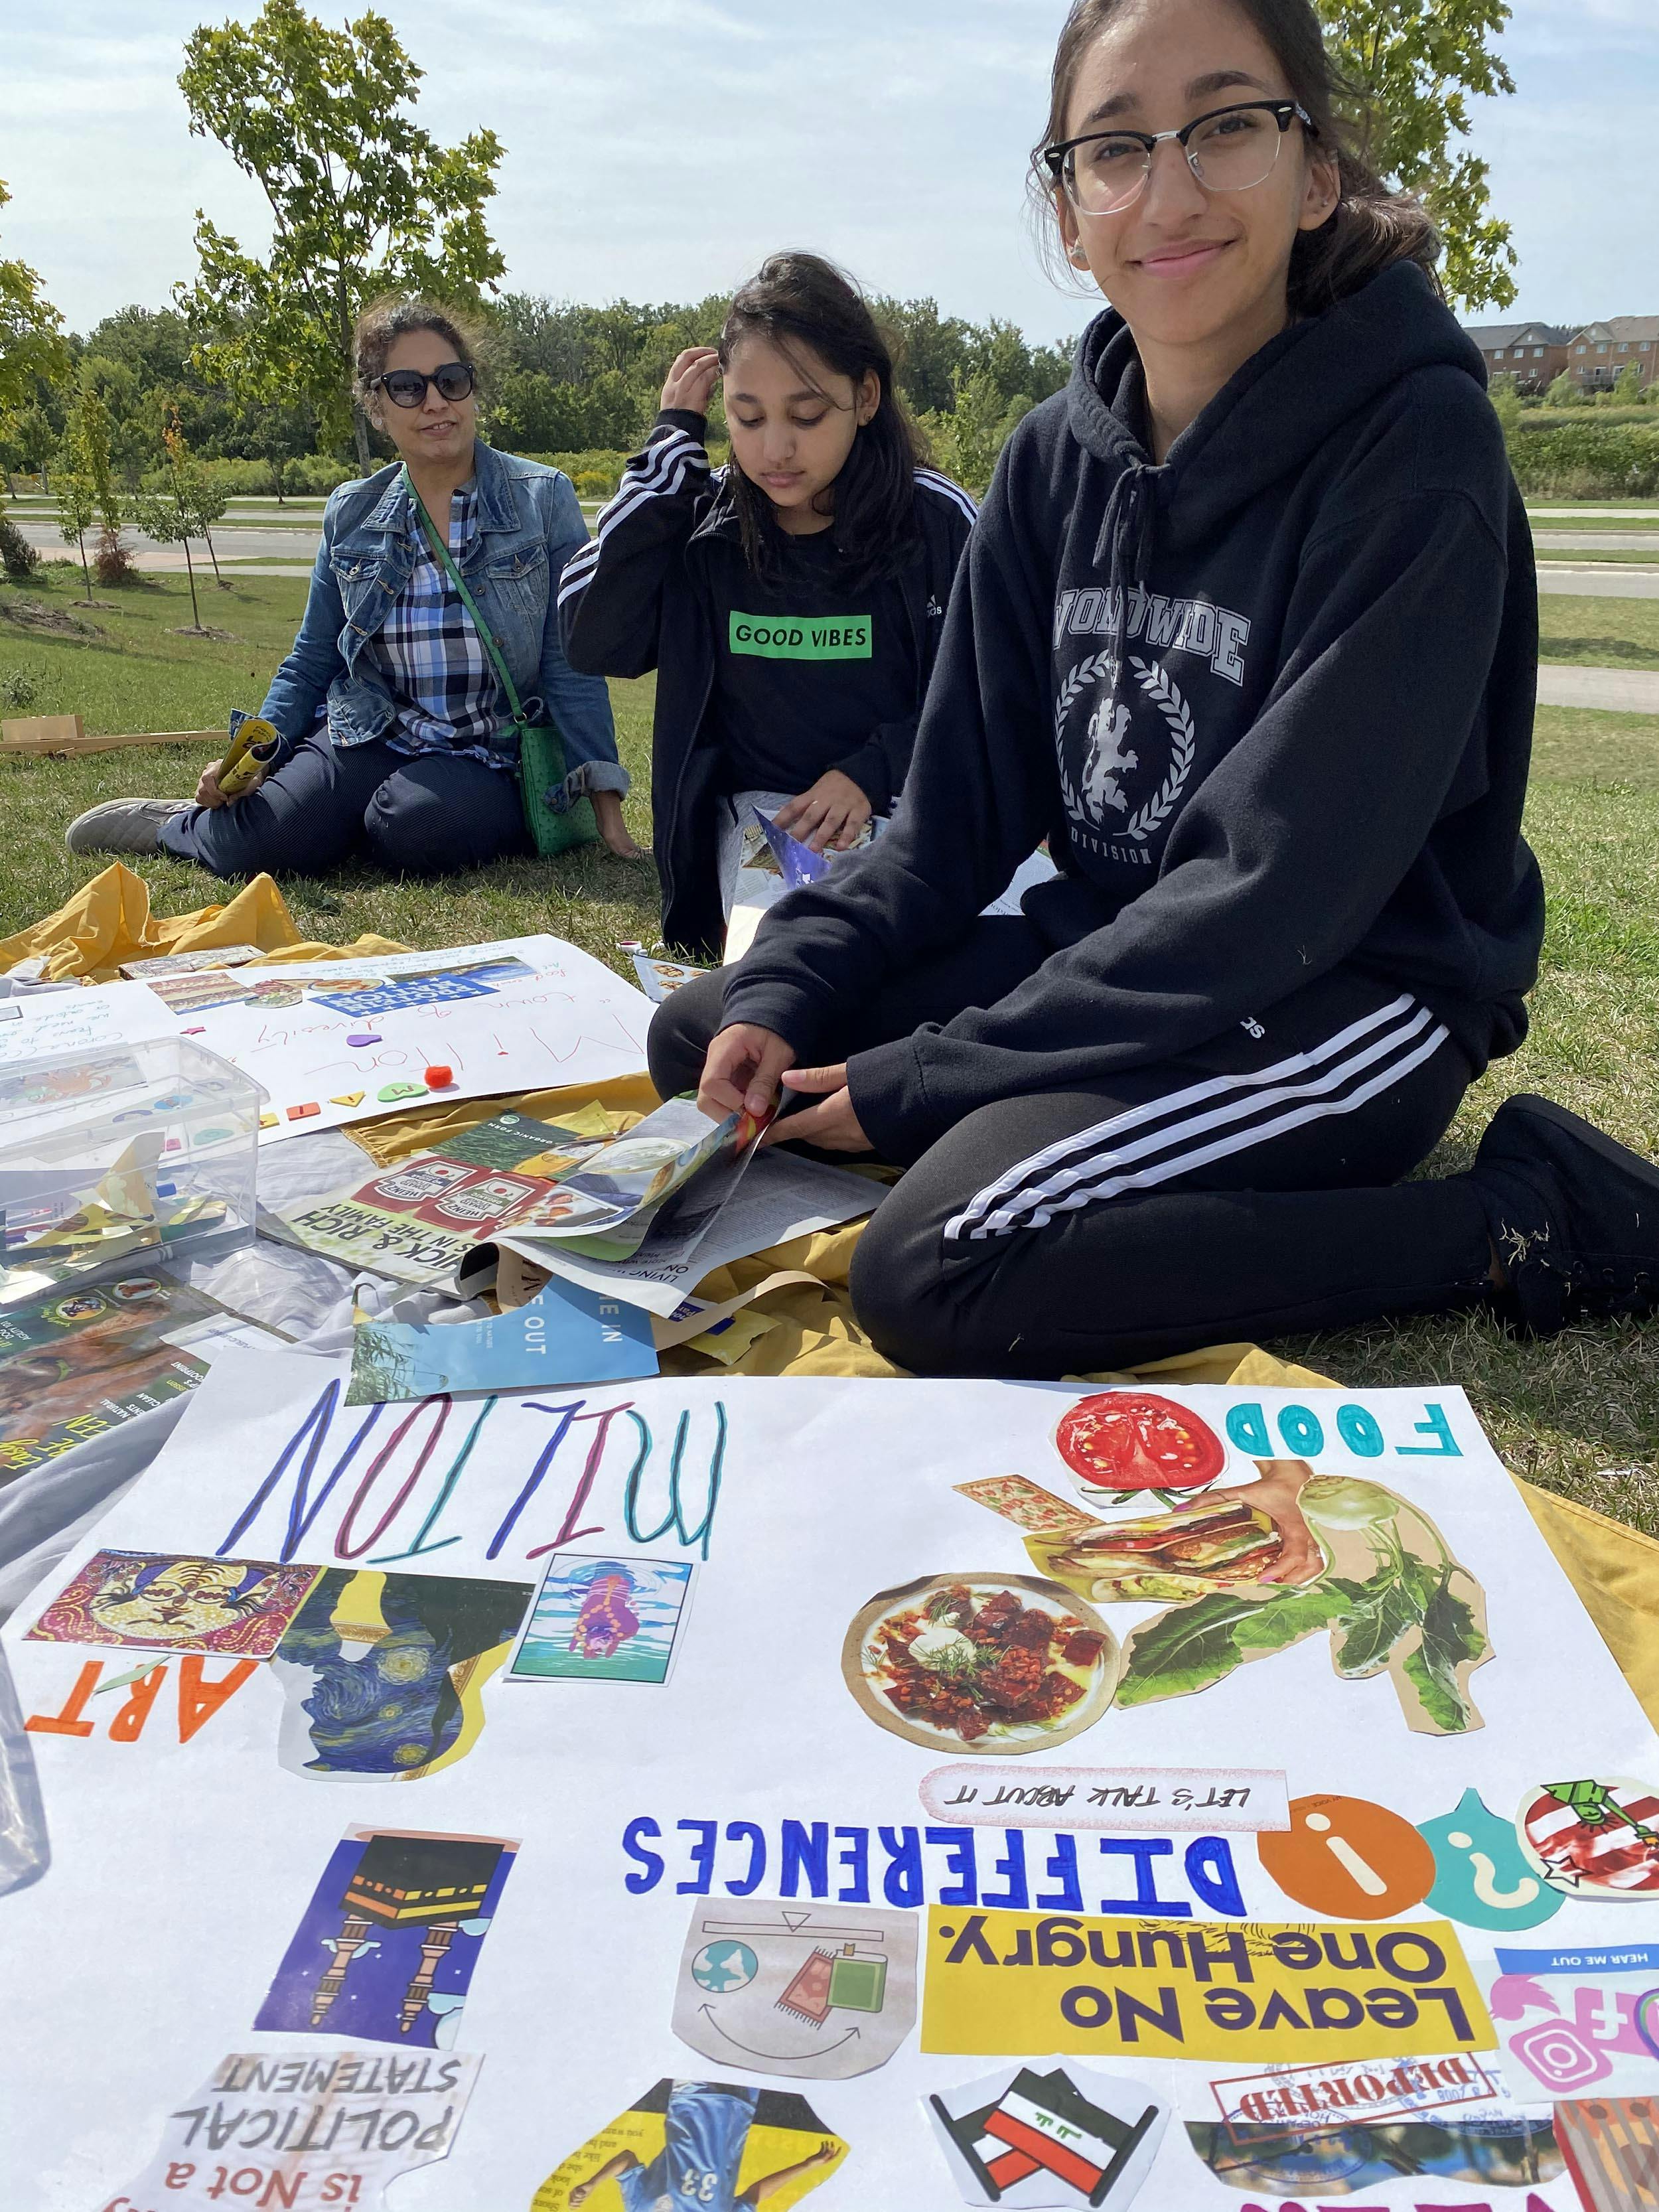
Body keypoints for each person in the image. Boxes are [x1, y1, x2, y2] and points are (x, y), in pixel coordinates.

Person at [650, 0, 1659, 1379]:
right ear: (1066, 209)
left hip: (1353, 990)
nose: (1165, 190)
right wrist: (784, 985)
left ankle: (1513, 1214)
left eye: (1227, 126)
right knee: (707, 1035)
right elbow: (944, 833)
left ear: (1314, 173)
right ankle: (990, 1113)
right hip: (1118, 952)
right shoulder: (1049, 462)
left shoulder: (1415, 447)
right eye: (1113, 147)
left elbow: (1271, 895)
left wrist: (934, 1074)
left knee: (942, 1263)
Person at [66, 298, 640, 874]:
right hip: (373, 732)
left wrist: (604, 798)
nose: (435, 401)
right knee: (259, 846)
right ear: (376, 406)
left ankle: (346, 820)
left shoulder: (542, 497)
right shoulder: (352, 512)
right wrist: (250, 757)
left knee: (413, 827)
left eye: (451, 380)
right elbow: (312, 659)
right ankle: (177, 826)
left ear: (472, 390)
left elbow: (571, 661)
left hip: (489, 752)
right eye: (408, 387)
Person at [559, 251, 976, 961]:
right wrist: (667, 462)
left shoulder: (936, 520)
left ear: (865, 397)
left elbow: (990, 690)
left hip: (910, 802)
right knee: (801, 966)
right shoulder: (706, 520)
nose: (775, 450)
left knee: (957, 961)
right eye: (746, 419)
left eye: (807, 416)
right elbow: (595, 638)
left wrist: (869, 774)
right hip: (762, 818)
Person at [565, 2080, 837, 2209]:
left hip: (690, 2096)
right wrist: (806, 2166)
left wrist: (592, 2183)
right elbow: (756, 2196)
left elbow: (626, 2159)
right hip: (741, 2108)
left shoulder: (638, 2208)